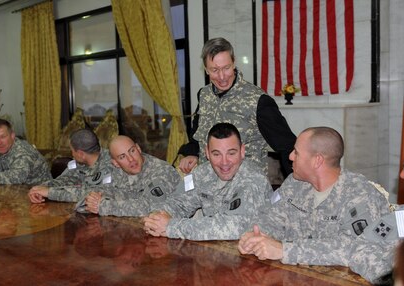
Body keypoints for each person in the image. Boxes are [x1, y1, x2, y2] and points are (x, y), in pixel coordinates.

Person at [237, 127, 395, 284]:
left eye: (296, 152)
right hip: (294, 277)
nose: (291, 156)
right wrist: (256, 236)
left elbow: (352, 248)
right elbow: (271, 217)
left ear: (317, 160)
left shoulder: (360, 195)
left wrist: (283, 250)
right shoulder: (294, 183)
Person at [178, 37, 296, 177]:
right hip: (208, 185)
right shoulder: (204, 95)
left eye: (226, 68)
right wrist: (192, 153)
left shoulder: (257, 100)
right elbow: (197, 134)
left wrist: (296, 186)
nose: (222, 77)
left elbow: (287, 146)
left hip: (245, 188)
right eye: (215, 70)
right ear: (206, 70)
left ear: (234, 63)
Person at [143, 122, 273, 241]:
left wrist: (171, 226)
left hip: (254, 258)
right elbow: (178, 202)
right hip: (215, 253)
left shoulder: (254, 179)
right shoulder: (201, 173)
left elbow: (234, 227)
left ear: (242, 151)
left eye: (231, 153)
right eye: (216, 154)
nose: (224, 162)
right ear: (207, 153)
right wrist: (156, 218)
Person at [29, 135, 181, 217]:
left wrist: (103, 205)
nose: (131, 159)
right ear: (115, 163)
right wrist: (49, 192)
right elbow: (98, 191)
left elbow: (148, 206)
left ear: (139, 148)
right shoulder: (118, 170)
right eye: (122, 157)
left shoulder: (161, 171)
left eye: (132, 151)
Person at [0, 119, 51, 184]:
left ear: (12, 135)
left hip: (41, 194)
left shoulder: (23, 150)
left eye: (3, 137)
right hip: (10, 192)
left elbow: (16, 177)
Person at [40, 128, 114, 187]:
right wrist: (43, 187)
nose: (72, 154)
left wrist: (50, 193)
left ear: (80, 154)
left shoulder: (112, 163)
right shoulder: (77, 162)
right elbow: (63, 179)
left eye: (72, 151)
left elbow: (92, 193)